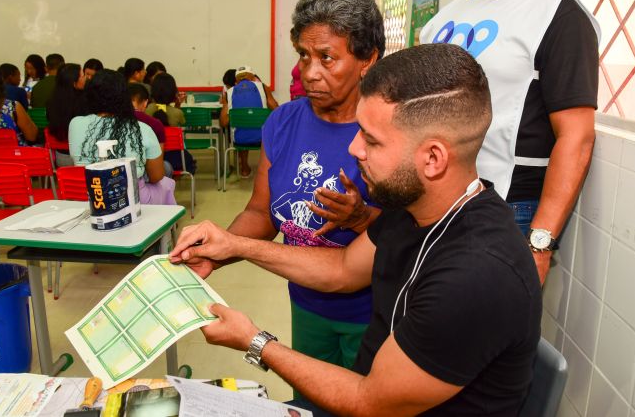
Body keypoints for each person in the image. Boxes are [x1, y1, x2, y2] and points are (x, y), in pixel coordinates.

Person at [170, 44, 542, 416]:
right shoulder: (414, 207)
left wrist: (254, 341)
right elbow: (342, 269)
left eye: (371, 139)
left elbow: (370, 401)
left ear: (433, 158)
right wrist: (235, 245)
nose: (354, 148)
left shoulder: (478, 275)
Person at [196, 0, 384, 374]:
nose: (309, 73)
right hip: (305, 299)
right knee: (312, 397)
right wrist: (217, 250)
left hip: (370, 310)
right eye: (303, 55)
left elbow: (411, 233)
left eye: (327, 58)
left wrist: (362, 218)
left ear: (367, 59)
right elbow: (261, 212)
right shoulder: (282, 121)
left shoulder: (387, 128)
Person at [419, 0, 600, 284]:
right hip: (436, 197)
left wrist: (539, 242)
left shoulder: (557, 15)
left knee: (487, 336)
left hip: (506, 204)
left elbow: (577, 136)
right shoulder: (438, 22)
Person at [69, 69, 176, 205]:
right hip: (131, 200)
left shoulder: (75, 124)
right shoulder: (141, 128)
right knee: (167, 184)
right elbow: (156, 176)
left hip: (88, 198)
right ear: (124, 97)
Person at [220, 65, 279, 178]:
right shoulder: (263, 87)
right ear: (252, 77)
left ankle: (244, 169)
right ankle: (268, 168)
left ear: (236, 80)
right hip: (263, 139)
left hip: (239, 140)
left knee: (241, 127)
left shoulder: (229, 93)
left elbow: (223, 122)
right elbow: (276, 109)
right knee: (265, 128)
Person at [146, 72, 196, 174]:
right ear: (173, 93)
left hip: (151, 158)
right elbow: (179, 121)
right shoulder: (177, 113)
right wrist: (178, 105)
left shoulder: (147, 110)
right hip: (175, 159)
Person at [46, 63, 87, 167]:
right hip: (82, 158)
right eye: (83, 76)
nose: (86, 78)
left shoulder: (52, 101)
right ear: (74, 83)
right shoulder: (84, 102)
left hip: (61, 158)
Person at [129, 83, 172, 177]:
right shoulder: (155, 124)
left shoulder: (113, 120)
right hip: (146, 173)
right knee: (167, 167)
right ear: (145, 103)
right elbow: (159, 158)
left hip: (119, 172)